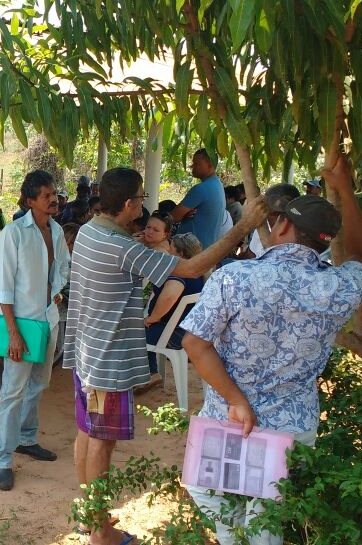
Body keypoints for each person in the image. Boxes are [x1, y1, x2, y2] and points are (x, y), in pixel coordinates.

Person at [63, 167, 265, 545]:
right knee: (101, 441)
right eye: (140, 198)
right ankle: (101, 533)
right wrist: (241, 229)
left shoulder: (91, 230)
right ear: (128, 204)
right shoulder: (123, 247)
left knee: (87, 432)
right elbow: (189, 267)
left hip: (88, 351)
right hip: (108, 360)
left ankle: (89, 517)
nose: (144, 204)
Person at [180, 156, 362, 544]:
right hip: (293, 428)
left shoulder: (235, 277)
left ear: (282, 224)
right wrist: (346, 190)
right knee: (266, 520)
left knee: (215, 500)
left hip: (229, 422)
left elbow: (194, 342)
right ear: (323, 241)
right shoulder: (338, 287)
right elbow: (361, 257)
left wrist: (236, 400)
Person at [0, 170, 70, 492]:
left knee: (39, 384)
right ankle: (2, 458)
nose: (54, 199)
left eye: (54, 194)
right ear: (30, 200)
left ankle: (26, 438)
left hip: (48, 320)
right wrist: (12, 332)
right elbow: (4, 288)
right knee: (12, 390)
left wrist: (57, 288)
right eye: (47, 195)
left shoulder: (57, 230)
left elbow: (63, 265)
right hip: (21, 325)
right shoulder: (14, 233)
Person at [138, 233, 205, 392]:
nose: (168, 250)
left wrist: (152, 318)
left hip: (172, 334)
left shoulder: (179, 273)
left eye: (171, 247)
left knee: (131, 332)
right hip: (187, 332)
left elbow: (169, 296)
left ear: (180, 253)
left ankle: (149, 373)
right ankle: (151, 371)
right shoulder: (197, 272)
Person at [170, 148, 226, 248]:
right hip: (206, 248)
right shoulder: (218, 185)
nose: (192, 166)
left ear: (210, 165)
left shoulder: (201, 189)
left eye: (197, 164)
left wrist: (181, 216)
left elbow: (172, 217)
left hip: (190, 251)